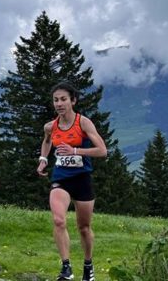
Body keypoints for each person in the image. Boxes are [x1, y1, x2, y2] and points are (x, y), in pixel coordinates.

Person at [37, 82, 108, 281]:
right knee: (59, 220)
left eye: (63, 99)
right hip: (61, 178)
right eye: (56, 100)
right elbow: (47, 141)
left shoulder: (83, 123)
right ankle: (66, 268)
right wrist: (43, 160)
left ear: (73, 101)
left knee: (84, 227)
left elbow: (102, 151)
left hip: (82, 179)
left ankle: (88, 265)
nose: (59, 104)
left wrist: (75, 151)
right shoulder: (50, 126)